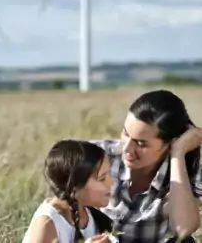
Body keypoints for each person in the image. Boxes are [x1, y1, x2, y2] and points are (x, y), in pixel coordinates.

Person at [91, 90, 202, 243]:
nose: (127, 149)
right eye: (126, 134)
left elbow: (183, 229)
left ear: (169, 143)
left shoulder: (186, 170)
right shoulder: (96, 156)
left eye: (141, 143)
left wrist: (178, 154)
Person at [22, 140, 116, 243]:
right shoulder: (48, 222)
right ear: (76, 185)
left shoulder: (94, 218)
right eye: (102, 179)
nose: (111, 182)